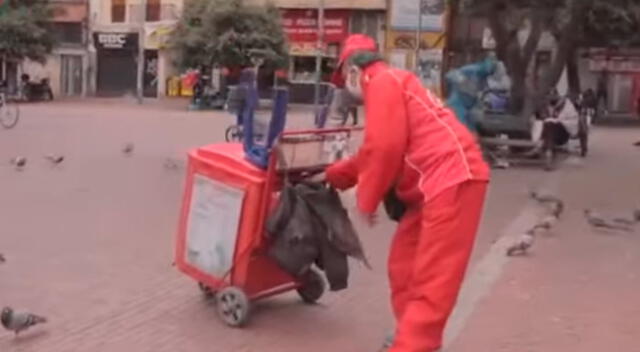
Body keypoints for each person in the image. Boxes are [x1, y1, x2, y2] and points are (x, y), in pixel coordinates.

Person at [323, 34, 490, 352]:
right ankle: (409, 336)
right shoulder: (395, 83)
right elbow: (374, 152)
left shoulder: (382, 82)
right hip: (434, 186)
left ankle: (414, 345)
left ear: (354, 72)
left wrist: (366, 200)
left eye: (344, 79)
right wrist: (334, 175)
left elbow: (384, 149)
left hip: (451, 180)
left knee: (432, 280)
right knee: (404, 266)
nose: (346, 89)